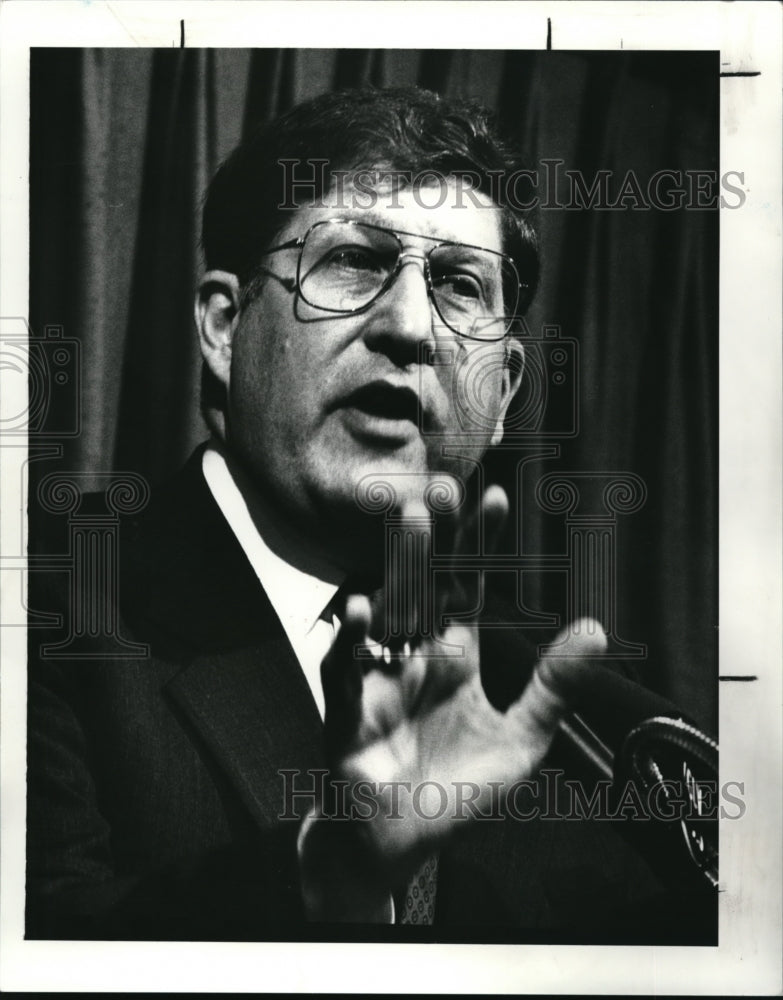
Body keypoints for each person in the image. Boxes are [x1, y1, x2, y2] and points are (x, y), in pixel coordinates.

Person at [26, 87, 699, 941]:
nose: (412, 325)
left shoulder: (595, 732)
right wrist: (328, 870)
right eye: (353, 261)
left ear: (503, 395)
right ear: (225, 326)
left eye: (460, 285)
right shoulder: (42, 603)